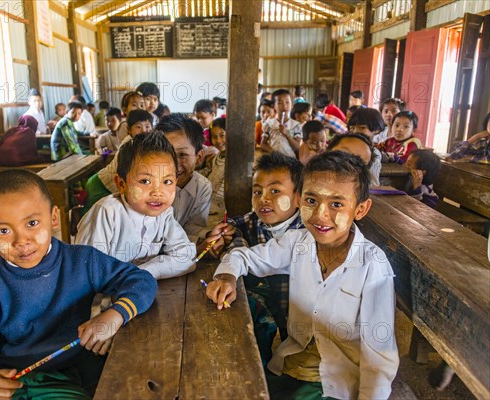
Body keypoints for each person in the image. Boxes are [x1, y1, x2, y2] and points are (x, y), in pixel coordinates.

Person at [0, 170, 157, 399]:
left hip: (66, 375)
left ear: (54, 217)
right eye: (3, 231)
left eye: (32, 223)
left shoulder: (82, 261)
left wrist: (115, 315)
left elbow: (140, 280)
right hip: (7, 381)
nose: (21, 241)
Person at [206, 151, 399, 400]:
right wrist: (226, 276)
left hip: (336, 384)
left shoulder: (373, 267)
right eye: (311, 200)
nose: (320, 214)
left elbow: (379, 354)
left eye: (336, 204)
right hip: (290, 366)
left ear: (360, 209)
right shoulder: (297, 242)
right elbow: (244, 257)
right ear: (299, 200)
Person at [75, 132, 196, 280]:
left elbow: (187, 258)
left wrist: (146, 271)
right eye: (145, 181)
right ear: (121, 184)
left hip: (140, 292)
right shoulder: (106, 213)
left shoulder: (164, 215)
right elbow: (86, 271)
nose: (158, 192)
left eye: (167, 182)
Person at [224, 152, 304, 363]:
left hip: (301, 315)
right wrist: (223, 236)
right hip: (272, 307)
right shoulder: (254, 221)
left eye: (275, 191)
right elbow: (233, 227)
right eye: (257, 191)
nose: (264, 199)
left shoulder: (309, 231)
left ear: (299, 197)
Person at [158, 114, 232, 254]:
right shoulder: (150, 187)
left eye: (182, 155)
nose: (174, 164)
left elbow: (193, 226)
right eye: (166, 154)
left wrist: (209, 236)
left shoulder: (202, 187)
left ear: (198, 157)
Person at [85, 109, 154, 209]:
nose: (144, 130)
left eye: (147, 126)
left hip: (110, 186)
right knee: (91, 217)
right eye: (138, 127)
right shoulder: (129, 144)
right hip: (99, 185)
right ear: (129, 129)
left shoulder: (143, 143)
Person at [346, 107, 385, 186]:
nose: (355, 131)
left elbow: (373, 182)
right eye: (352, 128)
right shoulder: (346, 149)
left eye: (362, 127)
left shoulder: (375, 153)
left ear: (377, 129)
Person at [261, 89, 302, 157]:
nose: (284, 106)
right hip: (274, 159)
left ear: (292, 105)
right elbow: (263, 144)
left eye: (287, 102)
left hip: (290, 160)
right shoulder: (269, 124)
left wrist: (287, 134)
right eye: (280, 103)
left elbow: (297, 148)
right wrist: (273, 152)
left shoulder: (296, 125)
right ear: (273, 106)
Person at [199, 117, 226, 213]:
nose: (218, 140)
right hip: (209, 197)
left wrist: (214, 203)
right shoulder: (217, 156)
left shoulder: (232, 160)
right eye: (214, 137)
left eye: (222, 135)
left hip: (218, 203)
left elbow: (223, 190)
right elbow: (209, 171)